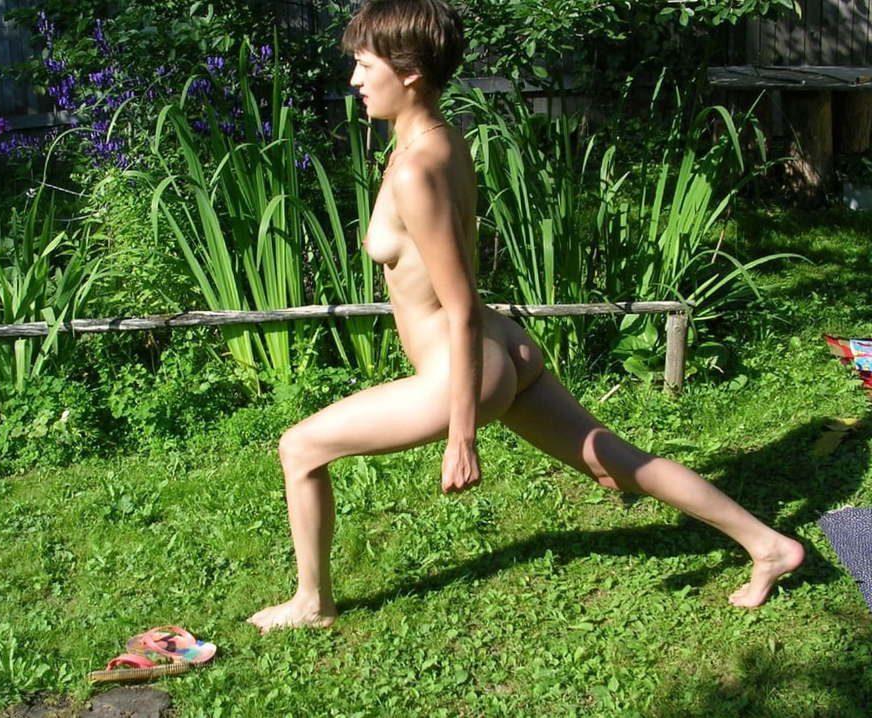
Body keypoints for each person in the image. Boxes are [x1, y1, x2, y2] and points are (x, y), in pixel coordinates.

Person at [247, 0, 804, 633]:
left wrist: (461, 435)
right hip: (504, 348)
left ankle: (312, 603)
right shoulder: (440, 140)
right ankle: (767, 545)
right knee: (609, 461)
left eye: (364, 65)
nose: (354, 79)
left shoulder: (416, 171)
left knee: (300, 448)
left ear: (409, 73)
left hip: (461, 366)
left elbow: (459, 305)